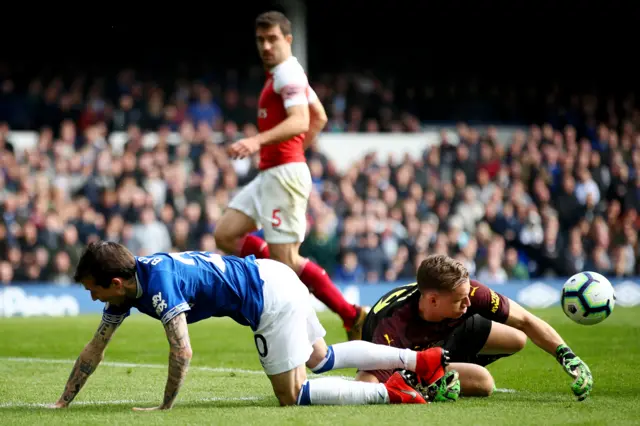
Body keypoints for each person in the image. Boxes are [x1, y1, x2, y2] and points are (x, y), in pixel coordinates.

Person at [48, 241, 460, 410]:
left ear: (114, 283)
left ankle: (390, 393)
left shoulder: (158, 285)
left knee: (292, 395)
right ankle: (416, 360)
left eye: (93, 290)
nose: (92, 297)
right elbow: (95, 348)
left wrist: (165, 406)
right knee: (322, 356)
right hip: (274, 273)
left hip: (267, 298)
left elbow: (183, 351)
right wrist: (64, 401)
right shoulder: (130, 285)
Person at [213, 11, 368, 341]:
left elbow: (300, 120)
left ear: (288, 40)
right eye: (260, 40)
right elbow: (320, 117)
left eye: (272, 39)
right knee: (227, 235)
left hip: (283, 177)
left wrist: (257, 141)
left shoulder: (287, 74)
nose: (266, 46)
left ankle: (350, 314)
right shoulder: (284, 74)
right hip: (272, 173)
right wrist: (295, 150)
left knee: (287, 262)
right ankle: (278, 279)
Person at [356, 254, 593, 401]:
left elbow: (527, 320)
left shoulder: (470, 293)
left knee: (517, 338)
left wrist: (567, 356)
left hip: (448, 330)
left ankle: (443, 364)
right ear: (433, 300)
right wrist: (419, 385)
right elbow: (365, 385)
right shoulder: (390, 329)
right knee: (484, 382)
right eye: (460, 300)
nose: (469, 303)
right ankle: (429, 377)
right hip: (408, 356)